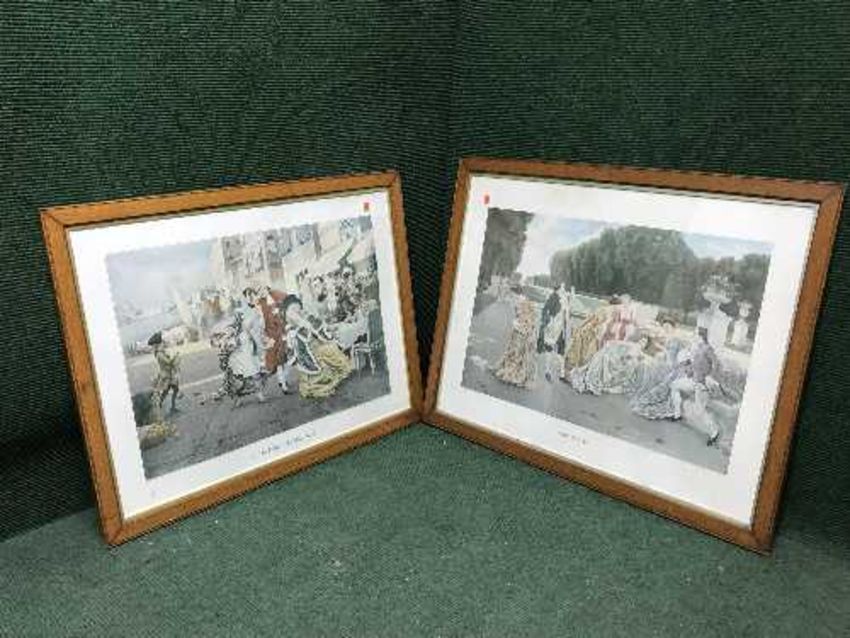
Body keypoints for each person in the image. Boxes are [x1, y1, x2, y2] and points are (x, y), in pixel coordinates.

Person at [631, 327, 721, 446]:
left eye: (695, 335)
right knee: (674, 386)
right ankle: (677, 414)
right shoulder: (696, 348)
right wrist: (687, 367)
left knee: (700, 411)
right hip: (693, 381)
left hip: (702, 384)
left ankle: (714, 432)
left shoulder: (707, 349)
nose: (693, 336)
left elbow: (716, 364)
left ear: (701, 336)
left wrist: (709, 376)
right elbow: (692, 363)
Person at [281, 295, 353, 399]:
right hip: (306, 350)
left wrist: (315, 327)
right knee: (324, 354)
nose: (297, 312)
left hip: (312, 345)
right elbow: (300, 335)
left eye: (298, 309)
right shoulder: (292, 327)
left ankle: (332, 373)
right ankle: (317, 383)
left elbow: (316, 328)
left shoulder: (303, 317)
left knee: (328, 349)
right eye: (294, 310)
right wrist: (306, 326)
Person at [568, 332, 661, 396]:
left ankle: (604, 378)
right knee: (605, 358)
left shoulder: (640, 352)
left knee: (618, 367)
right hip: (622, 362)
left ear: (646, 345)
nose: (642, 342)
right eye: (642, 340)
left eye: (644, 342)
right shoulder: (630, 345)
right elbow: (620, 345)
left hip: (626, 366)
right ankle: (597, 375)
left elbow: (643, 359)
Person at [493, 289, 538, 388]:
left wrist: (518, 324)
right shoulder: (524, 302)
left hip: (521, 331)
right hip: (521, 331)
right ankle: (513, 372)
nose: (511, 298)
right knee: (516, 353)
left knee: (516, 353)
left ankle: (513, 374)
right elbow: (524, 318)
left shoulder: (522, 302)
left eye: (512, 295)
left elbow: (524, 319)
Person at [562, 298, 617, 375]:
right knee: (588, 356)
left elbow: (591, 320)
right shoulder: (613, 313)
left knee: (578, 352)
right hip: (596, 336)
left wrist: (580, 328)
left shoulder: (603, 310)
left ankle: (568, 372)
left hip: (590, 333)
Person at [256, 284, 293, 393]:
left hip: (282, 331)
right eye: (259, 291)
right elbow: (260, 323)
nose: (262, 292)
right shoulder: (260, 304)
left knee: (287, 358)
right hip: (271, 335)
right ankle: (283, 384)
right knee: (278, 361)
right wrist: (264, 336)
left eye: (263, 289)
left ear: (267, 289)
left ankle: (282, 380)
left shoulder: (276, 296)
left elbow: (286, 305)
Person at [537, 284, 572, 382]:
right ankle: (554, 372)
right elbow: (548, 313)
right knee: (555, 350)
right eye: (562, 289)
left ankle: (557, 373)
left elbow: (566, 316)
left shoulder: (559, 299)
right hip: (555, 328)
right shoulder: (556, 298)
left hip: (557, 328)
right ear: (559, 290)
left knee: (556, 350)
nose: (564, 290)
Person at [148, 331, 181, 423]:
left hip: (169, 375)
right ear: (158, 344)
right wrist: (176, 357)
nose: (163, 344)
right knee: (166, 392)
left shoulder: (161, 352)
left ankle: (171, 407)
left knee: (174, 390)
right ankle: (160, 407)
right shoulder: (159, 354)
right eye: (161, 343)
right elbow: (168, 362)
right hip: (166, 376)